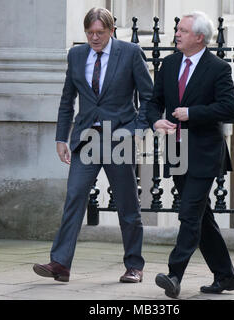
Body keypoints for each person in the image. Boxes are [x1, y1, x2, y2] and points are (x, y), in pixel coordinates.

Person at [33, 7, 153, 284]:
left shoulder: (130, 53)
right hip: (85, 139)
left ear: (111, 31)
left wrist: (135, 131)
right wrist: (61, 138)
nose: (94, 38)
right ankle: (60, 263)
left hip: (119, 137)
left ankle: (134, 265)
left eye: (100, 32)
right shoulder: (76, 55)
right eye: (89, 33)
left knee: (127, 204)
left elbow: (148, 97)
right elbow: (67, 100)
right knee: (74, 197)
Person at [147, 11, 234, 298]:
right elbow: (154, 101)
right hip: (177, 151)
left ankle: (174, 274)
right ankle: (225, 276)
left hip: (204, 154)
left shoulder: (218, 68)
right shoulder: (170, 63)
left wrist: (192, 113)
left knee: (188, 214)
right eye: (178, 30)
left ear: (199, 37)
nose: (177, 34)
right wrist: (155, 121)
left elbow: (230, 109)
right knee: (201, 217)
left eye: (183, 31)